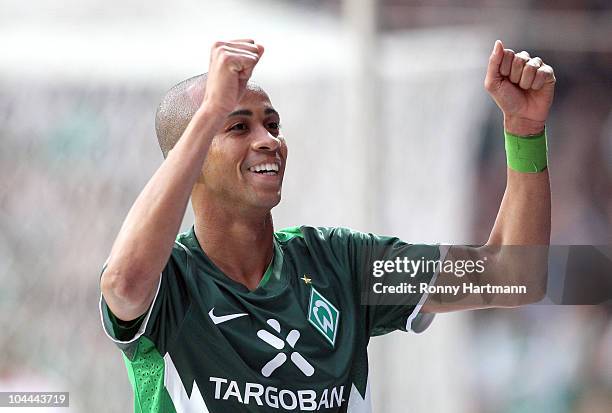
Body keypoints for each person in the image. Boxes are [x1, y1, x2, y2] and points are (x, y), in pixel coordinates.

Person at [99, 39, 555, 412]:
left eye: (272, 124)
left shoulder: (344, 265)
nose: (269, 141)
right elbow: (123, 281)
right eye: (238, 127)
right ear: (191, 156)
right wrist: (209, 111)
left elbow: (513, 276)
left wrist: (524, 130)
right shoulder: (171, 282)